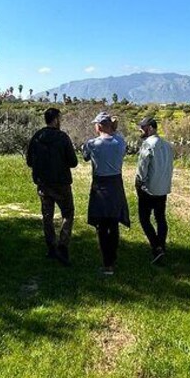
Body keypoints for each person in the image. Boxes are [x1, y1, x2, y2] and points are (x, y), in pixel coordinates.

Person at [26, 108, 78, 265]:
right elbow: (73, 162)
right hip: (61, 184)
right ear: (55, 119)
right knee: (67, 213)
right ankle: (63, 246)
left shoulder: (37, 137)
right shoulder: (63, 138)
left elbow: (29, 161)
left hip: (43, 184)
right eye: (59, 118)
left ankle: (51, 247)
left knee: (47, 216)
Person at [82, 112, 130, 275]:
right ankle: (113, 258)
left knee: (101, 226)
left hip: (100, 185)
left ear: (99, 126)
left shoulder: (92, 144)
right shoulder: (120, 142)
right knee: (113, 223)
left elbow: (85, 157)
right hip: (116, 184)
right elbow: (121, 146)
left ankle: (106, 262)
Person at [135, 116, 174, 264]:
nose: (141, 130)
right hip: (163, 188)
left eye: (143, 127)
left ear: (150, 128)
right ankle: (161, 246)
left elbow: (142, 168)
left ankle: (156, 246)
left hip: (148, 188)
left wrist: (139, 182)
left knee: (144, 219)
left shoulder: (148, 144)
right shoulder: (167, 145)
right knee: (160, 218)